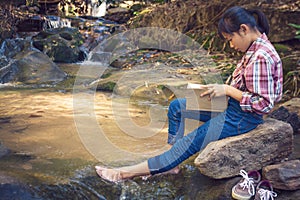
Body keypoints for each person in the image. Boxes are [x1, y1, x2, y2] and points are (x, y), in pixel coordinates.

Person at [95, 5, 283, 188]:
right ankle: (171, 165)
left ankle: (123, 174)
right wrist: (218, 91)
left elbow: (264, 104)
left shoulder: (260, 57)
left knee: (186, 143)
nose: (231, 45)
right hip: (231, 107)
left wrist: (227, 90)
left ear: (243, 29)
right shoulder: (253, 51)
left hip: (242, 117)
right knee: (177, 108)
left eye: (230, 39)